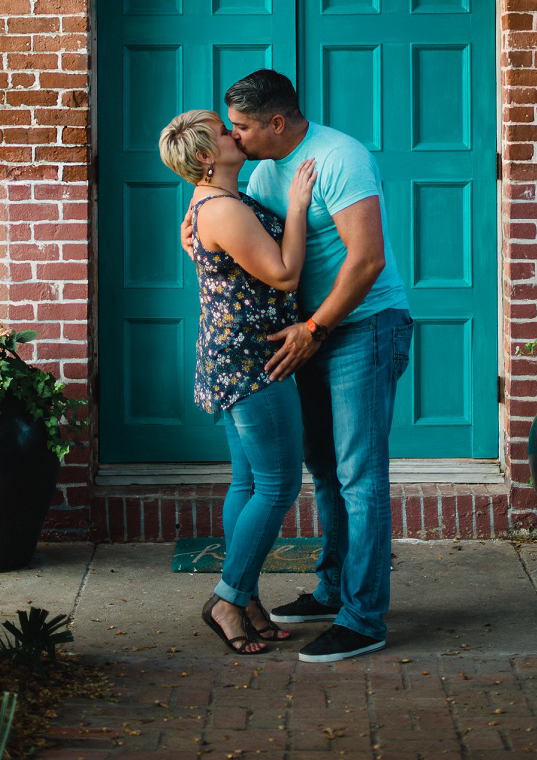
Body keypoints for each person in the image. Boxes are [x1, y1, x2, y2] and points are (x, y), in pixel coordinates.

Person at [185, 69, 413, 664]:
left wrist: (315, 329)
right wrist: (197, 222)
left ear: (276, 123)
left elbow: (366, 261)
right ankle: (333, 590)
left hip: (357, 327)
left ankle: (364, 619)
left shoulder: (340, 158)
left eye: (240, 126)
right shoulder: (262, 170)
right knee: (326, 472)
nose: (233, 135)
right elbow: (242, 227)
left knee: (361, 476)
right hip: (302, 335)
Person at [159, 108, 317, 656]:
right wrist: (297, 206)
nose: (236, 133)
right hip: (252, 363)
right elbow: (283, 273)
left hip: (233, 357)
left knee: (250, 483)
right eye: (225, 132)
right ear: (207, 156)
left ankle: (245, 598)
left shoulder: (216, 201)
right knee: (277, 485)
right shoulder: (221, 207)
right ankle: (228, 598)